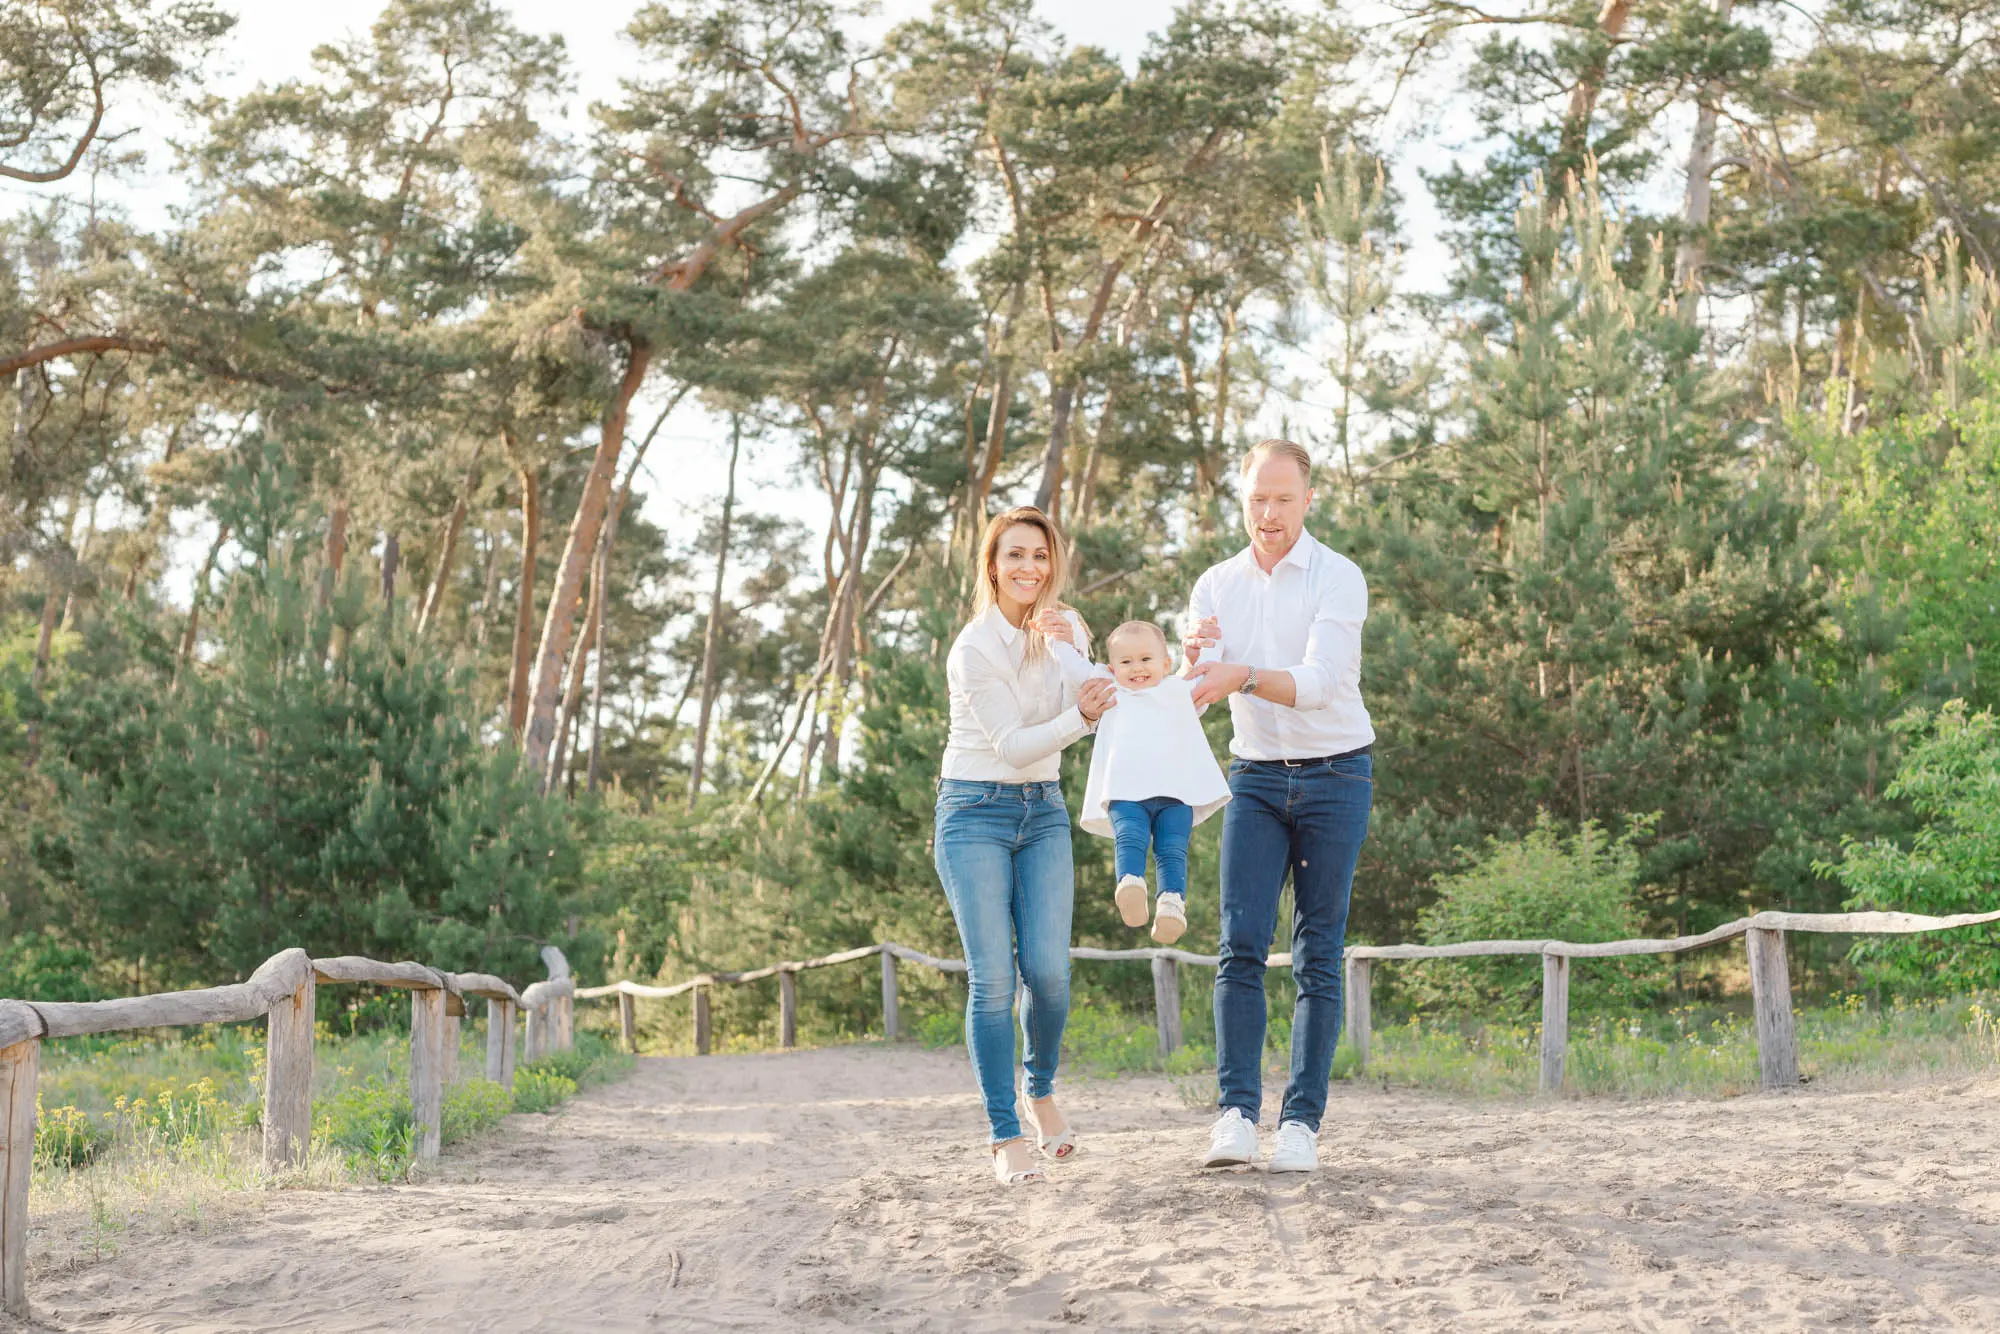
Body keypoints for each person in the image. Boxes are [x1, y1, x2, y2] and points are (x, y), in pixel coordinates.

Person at [1183, 439, 1374, 1174]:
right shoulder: (1214, 585)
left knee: (1317, 953)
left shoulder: (1338, 577)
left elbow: (1321, 681)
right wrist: (1190, 669)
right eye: (1257, 499)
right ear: (1243, 500)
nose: (1269, 513)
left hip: (1337, 774)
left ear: (1307, 500)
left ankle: (1301, 1124)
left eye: (1283, 499)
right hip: (1256, 777)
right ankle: (1234, 1114)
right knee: (1238, 945)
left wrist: (1238, 675)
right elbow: (1198, 683)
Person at [935, 505, 1118, 1186]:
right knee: (993, 981)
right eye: (1014, 555)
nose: (1028, 568)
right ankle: (1003, 1130)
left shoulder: (1067, 628)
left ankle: (1039, 1090)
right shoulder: (973, 650)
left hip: (1042, 810)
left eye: (1039, 556)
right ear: (992, 564)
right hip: (974, 809)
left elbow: (1100, 712)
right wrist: (1083, 714)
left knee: (1049, 972)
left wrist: (1085, 665)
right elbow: (1012, 747)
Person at [1037, 616, 1229, 944]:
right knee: (1130, 836)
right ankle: (1130, 884)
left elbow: (1208, 676)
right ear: (1111, 668)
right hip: (1126, 792)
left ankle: (1171, 903)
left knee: (1172, 849)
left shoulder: (1178, 691)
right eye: (1126, 661)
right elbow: (1075, 669)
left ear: (1166, 663)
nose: (1136, 668)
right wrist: (1059, 641)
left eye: (1145, 660)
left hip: (1176, 793)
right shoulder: (1110, 688)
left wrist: (1213, 643)